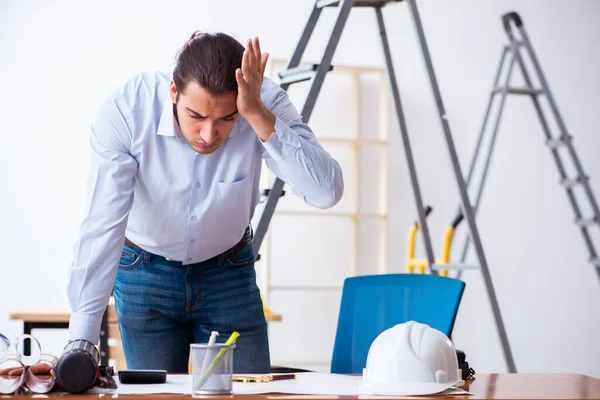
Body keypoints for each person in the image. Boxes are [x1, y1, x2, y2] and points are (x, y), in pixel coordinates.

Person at [64, 31, 343, 374]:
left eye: (226, 119)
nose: (210, 135)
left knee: (248, 397)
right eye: (196, 116)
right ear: (173, 92)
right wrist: (82, 340)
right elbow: (103, 223)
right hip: (143, 273)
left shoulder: (263, 101)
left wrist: (255, 114)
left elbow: (325, 192)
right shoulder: (127, 111)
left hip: (228, 274)